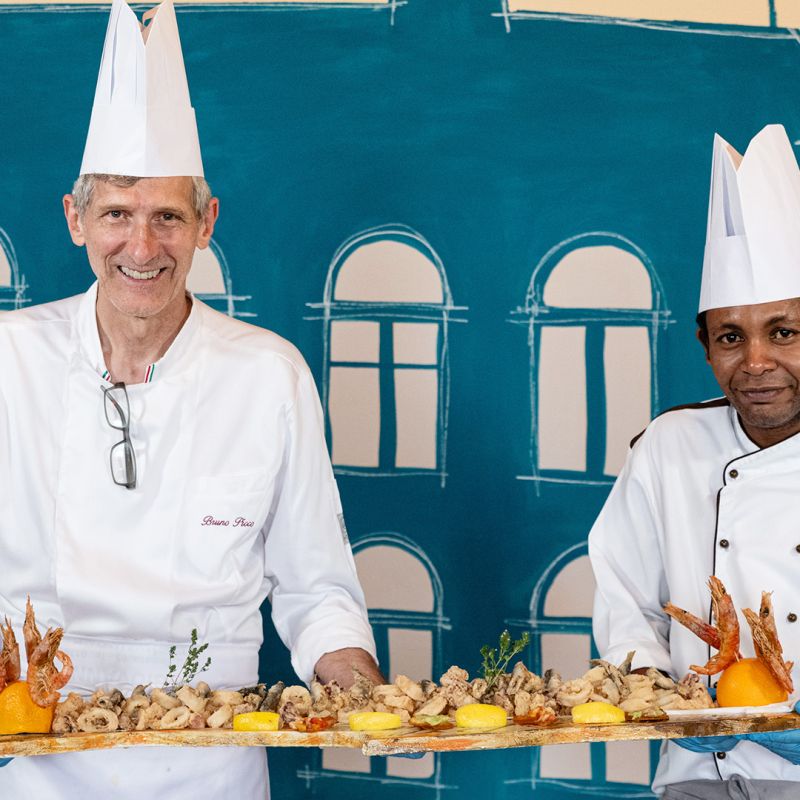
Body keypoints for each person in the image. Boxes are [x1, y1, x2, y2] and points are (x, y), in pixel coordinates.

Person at [0, 1, 381, 796]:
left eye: (167, 217)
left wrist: (361, 690)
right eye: (117, 215)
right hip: (37, 751)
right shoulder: (9, 358)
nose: (142, 248)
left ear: (206, 223)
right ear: (75, 220)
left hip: (211, 755)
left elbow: (316, 586)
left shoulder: (269, 374)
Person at [589, 123, 800, 799]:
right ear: (706, 346)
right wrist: (658, 695)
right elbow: (625, 600)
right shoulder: (668, 448)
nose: (757, 363)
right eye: (732, 336)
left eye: (785, 332)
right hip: (696, 780)